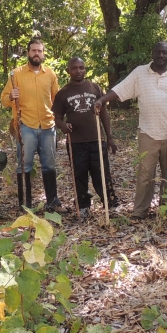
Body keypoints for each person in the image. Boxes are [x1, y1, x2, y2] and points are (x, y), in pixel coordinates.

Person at [93, 41, 167, 220]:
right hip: (148, 132)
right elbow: (120, 90)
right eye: (158, 52)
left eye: (165, 53)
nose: (161, 56)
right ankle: (140, 211)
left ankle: (166, 211)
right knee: (145, 174)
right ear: (153, 53)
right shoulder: (140, 73)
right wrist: (102, 100)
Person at [1, 37, 64, 212]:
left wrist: (60, 119)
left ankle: (52, 201)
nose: (37, 54)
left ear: (43, 54)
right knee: (24, 164)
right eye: (34, 50)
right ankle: (25, 204)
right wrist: (11, 97)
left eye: (40, 51)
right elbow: (4, 100)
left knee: (49, 164)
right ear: (28, 53)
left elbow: (56, 100)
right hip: (25, 125)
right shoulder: (16, 74)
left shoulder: (50, 74)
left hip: (47, 125)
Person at [53, 57, 120, 220]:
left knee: (102, 173)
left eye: (81, 68)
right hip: (75, 142)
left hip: (97, 140)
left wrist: (109, 137)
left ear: (85, 69)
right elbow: (57, 117)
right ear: (68, 71)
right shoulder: (63, 93)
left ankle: (110, 204)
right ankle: (83, 206)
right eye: (74, 68)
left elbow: (104, 113)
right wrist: (63, 125)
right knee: (79, 175)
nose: (78, 71)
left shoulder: (95, 88)